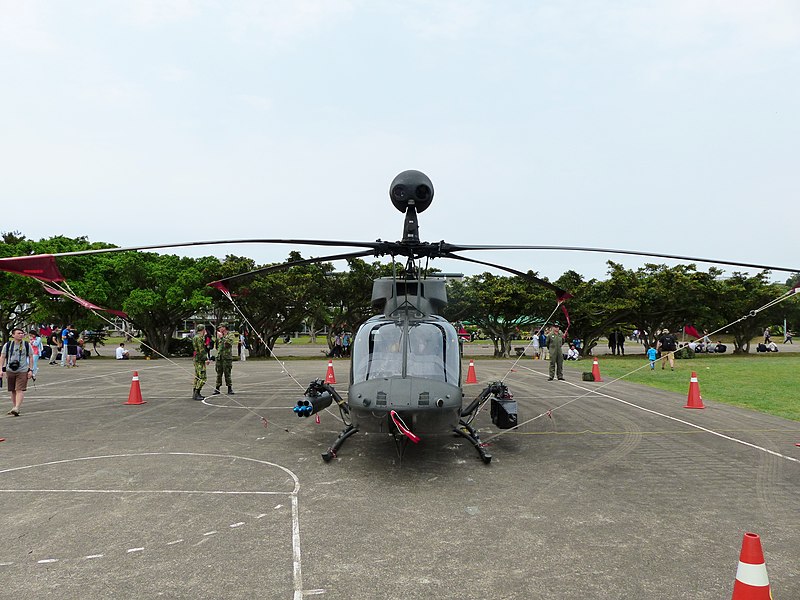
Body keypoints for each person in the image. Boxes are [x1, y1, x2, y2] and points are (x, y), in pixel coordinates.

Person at [1, 328, 34, 416]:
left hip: (22, 370)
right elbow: (2, 357)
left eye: (22, 333)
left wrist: (30, 370)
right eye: (19, 333)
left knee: (19, 389)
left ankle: (17, 407)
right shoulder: (8, 345)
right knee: (12, 390)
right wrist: (1, 369)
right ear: (13, 335)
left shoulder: (26, 345)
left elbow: (31, 357)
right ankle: (14, 406)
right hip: (10, 370)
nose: (21, 335)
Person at [213, 323, 238, 395]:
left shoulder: (230, 335)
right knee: (218, 373)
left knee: (227, 373)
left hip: (227, 358)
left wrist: (222, 338)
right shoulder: (218, 335)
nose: (219, 329)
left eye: (221, 327)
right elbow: (216, 345)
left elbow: (229, 343)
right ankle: (217, 388)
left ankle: (229, 388)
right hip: (219, 357)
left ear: (224, 328)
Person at [192, 324, 210, 400]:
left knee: (197, 377)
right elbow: (201, 350)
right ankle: (197, 392)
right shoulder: (199, 338)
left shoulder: (195, 337)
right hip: (200, 359)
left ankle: (195, 392)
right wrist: (206, 359)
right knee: (203, 377)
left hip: (196, 359)